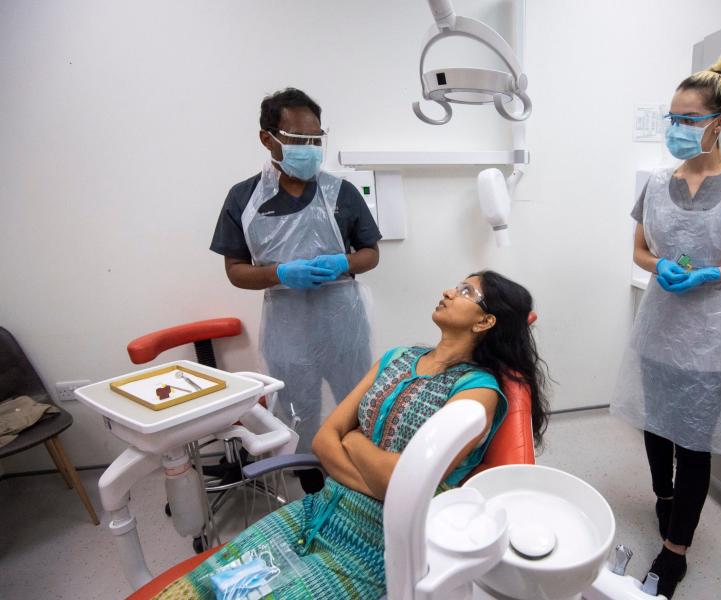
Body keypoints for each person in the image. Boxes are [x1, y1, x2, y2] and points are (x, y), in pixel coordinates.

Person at [155, 271, 549, 599]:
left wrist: (354, 441)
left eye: (466, 291)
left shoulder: (477, 392)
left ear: (484, 321)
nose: (449, 291)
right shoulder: (397, 358)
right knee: (202, 588)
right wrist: (375, 470)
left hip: (377, 545)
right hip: (317, 509)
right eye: (456, 284)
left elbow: (400, 482)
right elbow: (325, 438)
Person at [611, 53, 721, 598]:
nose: (676, 129)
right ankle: (665, 500)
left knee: (695, 443)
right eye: (672, 118)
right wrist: (654, 264)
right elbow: (638, 248)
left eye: (687, 120)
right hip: (659, 326)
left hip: (708, 334)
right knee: (658, 426)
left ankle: (675, 553)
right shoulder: (657, 183)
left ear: (718, 123)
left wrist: (715, 272)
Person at [210, 88, 382, 493]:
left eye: (315, 140)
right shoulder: (243, 199)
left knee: (354, 404)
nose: (308, 149)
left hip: (345, 325)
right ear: (267, 138)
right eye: (297, 140)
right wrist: (281, 273)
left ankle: (358, 482)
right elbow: (235, 271)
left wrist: (345, 262)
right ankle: (312, 486)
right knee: (299, 411)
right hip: (289, 329)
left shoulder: (341, 193)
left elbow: (371, 254)